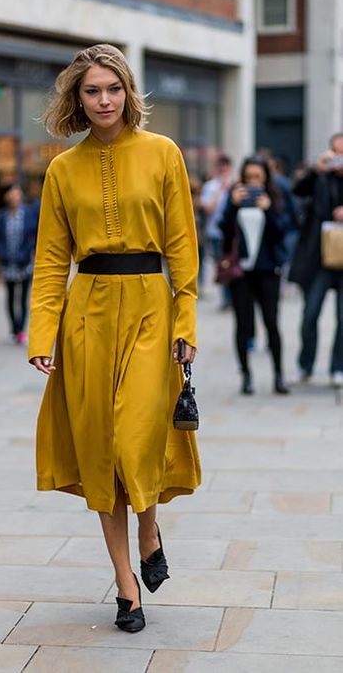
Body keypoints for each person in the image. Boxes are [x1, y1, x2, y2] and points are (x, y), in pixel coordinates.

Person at [28, 44, 200, 633]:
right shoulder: (61, 169)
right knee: (101, 450)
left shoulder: (163, 154)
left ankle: (149, 530)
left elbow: (183, 248)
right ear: (77, 99)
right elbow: (51, 260)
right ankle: (127, 586)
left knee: (135, 436)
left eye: (113, 89)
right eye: (91, 91)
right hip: (88, 316)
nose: (104, 100)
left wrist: (187, 322)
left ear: (129, 93)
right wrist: (42, 332)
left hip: (152, 305)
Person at [220, 156, 289, 395]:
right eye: (248, 177)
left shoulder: (274, 196)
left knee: (271, 322)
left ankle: (279, 375)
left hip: (268, 271)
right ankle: (246, 376)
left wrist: (268, 210)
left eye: (257, 177)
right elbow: (225, 233)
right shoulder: (234, 197)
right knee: (243, 324)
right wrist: (233, 205)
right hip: (240, 272)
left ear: (266, 178)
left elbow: (282, 232)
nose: (253, 182)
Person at [289, 133, 343, 386]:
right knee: (310, 313)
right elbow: (297, 190)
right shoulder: (320, 178)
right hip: (319, 256)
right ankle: (305, 363)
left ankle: (337, 367)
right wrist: (316, 168)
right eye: (335, 156)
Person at [0, 182, 40, 344]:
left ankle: (21, 330)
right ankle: (13, 329)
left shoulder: (27, 214)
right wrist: (1, 256)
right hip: (8, 264)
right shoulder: (2, 216)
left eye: (16, 193)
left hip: (25, 262)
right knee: (11, 296)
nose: (14, 197)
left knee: (23, 298)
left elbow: (33, 236)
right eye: (11, 194)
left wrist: (28, 253)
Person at [200, 154, 234, 309]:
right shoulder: (211, 187)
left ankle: (231, 297)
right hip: (214, 233)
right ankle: (226, 297)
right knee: (221, 265)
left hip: (231, 233)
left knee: (232, 264)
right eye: (221, 166)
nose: (224, 169)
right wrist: (220, 190)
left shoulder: (235, 185)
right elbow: (207, 209)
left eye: (226, 166)